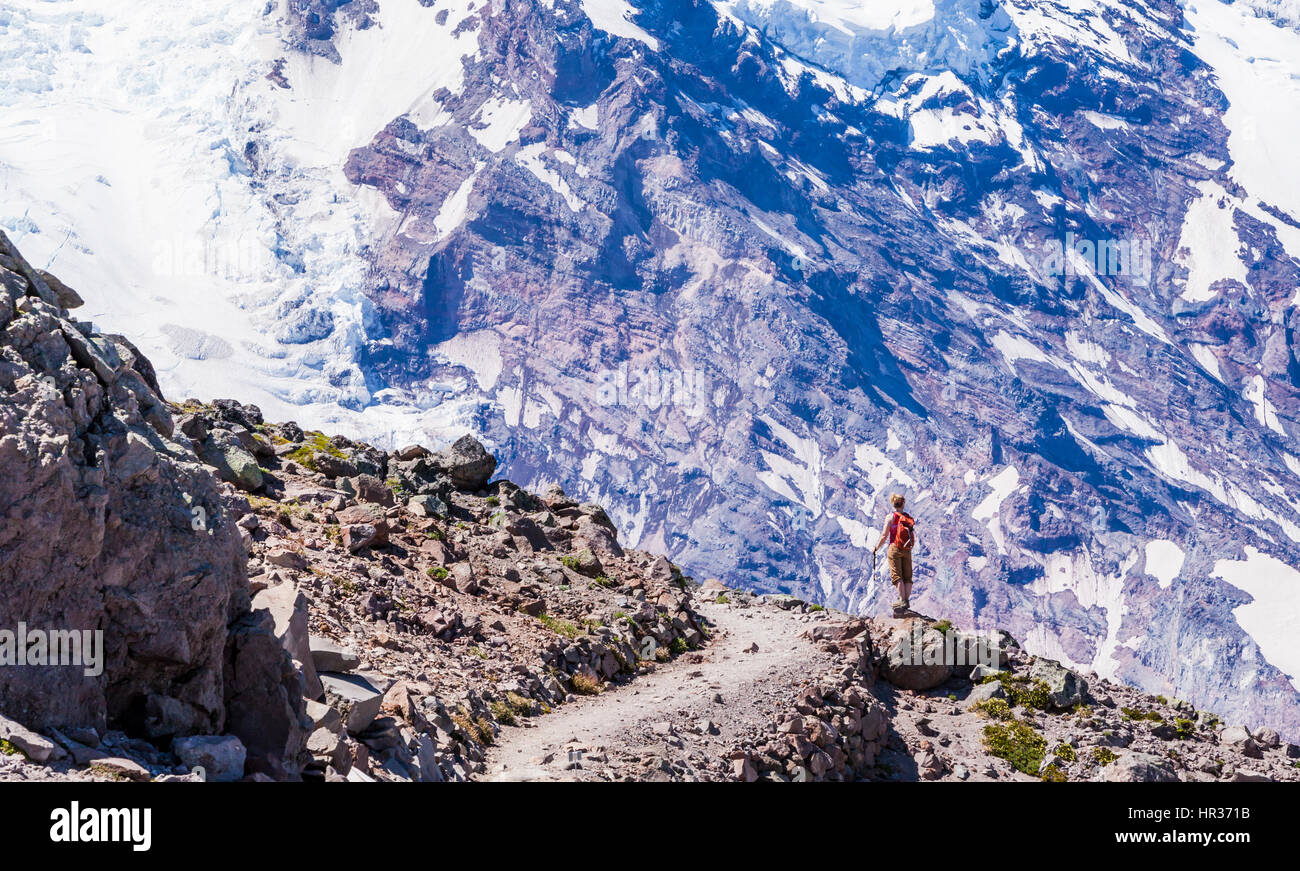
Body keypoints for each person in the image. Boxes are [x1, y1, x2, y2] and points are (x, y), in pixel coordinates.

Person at [873, 493, 916, 611]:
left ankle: (902, 600)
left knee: (897, 575)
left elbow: (884, 535)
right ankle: (906, 601)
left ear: (893, 503)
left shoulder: (890, 517)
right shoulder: (908, 518)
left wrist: (876, 548)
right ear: (903, 503)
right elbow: (912, 535)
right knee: (908, 576)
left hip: (894, 547)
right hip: (907, 549)